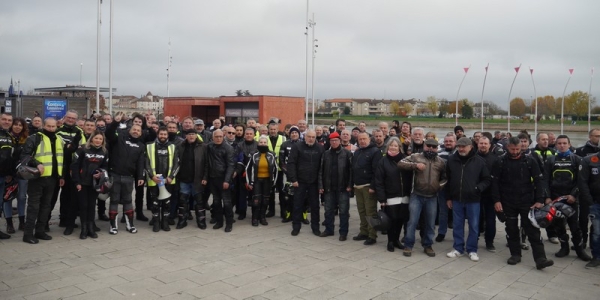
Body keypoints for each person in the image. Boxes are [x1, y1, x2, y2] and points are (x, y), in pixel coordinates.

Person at [491, 137, 554, 270]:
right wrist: (496, 200)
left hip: (527, 201)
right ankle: (515, 254)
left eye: (517, 149)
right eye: (512, 149)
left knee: (532, 230)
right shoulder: (500, 161)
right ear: (508, 147)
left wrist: (539, 200)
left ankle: (540, 259)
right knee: (511, 228)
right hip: (507, 200)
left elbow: (539, 181)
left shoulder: (530, 161)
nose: (515, 152)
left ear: (521, 148)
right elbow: (494, 183)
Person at [544, 134, 591, 261]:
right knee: (558, 225)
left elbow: (581, 181)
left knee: (575, 226)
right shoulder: (550, 160)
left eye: (565, 143)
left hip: (571, 199)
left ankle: (580, 250)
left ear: (569, 145)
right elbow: (545, 180)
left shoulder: (577, 159)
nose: (562, 145)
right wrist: (547, 197)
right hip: (555, 199)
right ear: (556, 145)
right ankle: (564, 247)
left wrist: (574, 195)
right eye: (559, 143)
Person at [399, 138, 447, 257]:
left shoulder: (441, 161)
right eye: (428, 146)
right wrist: (415, 165)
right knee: (412, 222)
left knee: (430, 223)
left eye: (433, 146)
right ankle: (408, 245)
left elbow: (445, 178)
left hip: (432, 197)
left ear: (437, 148)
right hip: (417, 195)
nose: (430, 148)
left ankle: (428, 245)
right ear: (424, 146)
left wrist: (438, 186)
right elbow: (400, 163)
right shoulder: (416, 156)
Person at [445, 137, 491, 262]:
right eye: (459, 146)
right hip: (457, 199)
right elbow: (447, 180)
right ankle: (458, 248)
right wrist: (448, 197)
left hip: (473, 199)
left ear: (470, 147)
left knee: (474, 225)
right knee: (457, 225)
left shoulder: (479, 161)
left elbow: (486, 179)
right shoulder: (451, 160)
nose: (461, 149)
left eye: (463, 146)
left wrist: (478, 188)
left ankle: (472, 249)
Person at [21, 117, 65, 244]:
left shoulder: (59, 139)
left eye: (53, 126)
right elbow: (24, 156)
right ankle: (28, 234)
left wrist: (61, 176)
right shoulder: (34, 138)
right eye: (48, 126)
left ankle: (40, 231)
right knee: (33, 206)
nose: (51, 129)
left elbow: (61, 160)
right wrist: (36, 163)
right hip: (37, 178)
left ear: (56, 127)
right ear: (43, 126)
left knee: (46, 206)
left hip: (52, 178)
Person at [105, 112, 146, 235]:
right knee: (114, 200)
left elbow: (140, 163)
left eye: (138, 130)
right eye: (134, 129)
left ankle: (130, 224)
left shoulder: (140, 146)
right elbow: (109, 134)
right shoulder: (119, 138)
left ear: (141, 133)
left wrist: (140, 176)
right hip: (115, 175)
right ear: (130, 129)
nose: (136, 132)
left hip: (129, 177)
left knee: (128, 201)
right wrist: (115, 122)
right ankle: (113, 226)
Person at [375, 137, 411, 251]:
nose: (393, 148)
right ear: (388, 147)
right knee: (392, 219)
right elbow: (379, 181)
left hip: (404, 195)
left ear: (399, 147)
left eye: (396, 146)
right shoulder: (383, 161)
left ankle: (396, 240)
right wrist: (382, 198)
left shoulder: (406, 159)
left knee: (401, 219)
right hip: (390, 195)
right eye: (391, 145)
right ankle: (390, 241)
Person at [71, 131, 108, 239]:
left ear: (103, 141)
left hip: (94, 184)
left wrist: (100, 173)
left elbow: (105, 166)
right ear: (91, 139)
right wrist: (77, 182)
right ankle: (84, 229)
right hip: (82, 183)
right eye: (96, 138)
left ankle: (91, 228)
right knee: (83, 206)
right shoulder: (83, 149)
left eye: (100, 139)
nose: (98, 141)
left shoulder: (104, 152)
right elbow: (75, 166)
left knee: (91, 206)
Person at [53, 110, 84, 236]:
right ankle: (62, 219)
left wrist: (72, 147)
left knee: (72, 195)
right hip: (62, 166)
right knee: (61, 195)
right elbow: (61, 150)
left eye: (73, 118)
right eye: (69, 117)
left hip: (75, 167)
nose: (71, 120)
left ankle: (68, 219)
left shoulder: (79, 131)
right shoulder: (58, 131)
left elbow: (82, 147)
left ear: (76, 120)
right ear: (65, 118)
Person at [288, 129, 324, 236]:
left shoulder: (320, 148)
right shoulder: (297, 147)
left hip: (314, 182)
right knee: (297, 205)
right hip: (300, 181)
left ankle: (315, 227)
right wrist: (293, 179)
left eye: (313, 137)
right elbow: (291, 163)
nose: (311, 139)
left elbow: (323, 166)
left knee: (315, 206)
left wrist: (321, 183)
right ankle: (296, 227)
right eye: (309, 137)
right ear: (305, 137)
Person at [318, 132, 353, 241]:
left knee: (343, 211)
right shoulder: (325, 154)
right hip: (329, 188)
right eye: (332, 141)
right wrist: (321, 185)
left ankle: (343, 232)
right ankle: (329, 230)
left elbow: (351, 171)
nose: (334, 142)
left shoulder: (347, 154)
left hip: (343, 188)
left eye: (336, 140)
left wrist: (350, 185)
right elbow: (320, 171)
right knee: (328, 210)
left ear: (340, 141)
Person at [145, 127, 179, 232]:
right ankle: (156, 222)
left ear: (167, 135)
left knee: (167, 203)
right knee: (155, 203)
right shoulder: (149, 146)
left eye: (165, 134)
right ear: (157, 135)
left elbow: (177, 164)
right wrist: (152, 176)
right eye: (161, 134)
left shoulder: (173, 147)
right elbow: (146, 163)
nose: (163, 136)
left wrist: (171, 176)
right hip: (154, 180)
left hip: (168, 180)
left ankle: (165, 222)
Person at [351, 132, 382, 245]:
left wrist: (373, 186)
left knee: (370, 212)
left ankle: (372, 235)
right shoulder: (358, 151)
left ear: (369, 139)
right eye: (360, 139)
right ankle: (363, 231)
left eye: (364, 139)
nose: (362, 141)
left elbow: (376, 171)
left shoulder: (375, 152)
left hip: (368, 186)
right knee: (361, 211)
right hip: (358, 186)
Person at [175, 129, 208, 229]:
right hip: (184, 178)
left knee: (199, 201)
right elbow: (176, 162)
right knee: (183, 201)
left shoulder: (203, 147)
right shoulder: (180, 146)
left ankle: (201, 221)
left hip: (197, 179)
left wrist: (205, 177)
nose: (191, 136)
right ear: (186, 136)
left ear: (196, 135)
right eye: (189, 134)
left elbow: (207, 164)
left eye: (193, 134)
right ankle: (182, 220)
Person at [207, 129, 236, 232]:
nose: (218, 138)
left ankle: (229, 223)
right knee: (216, 202)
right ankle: (219, 222)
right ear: (213, 137)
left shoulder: (228, 148)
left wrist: (227, 180)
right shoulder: (210, 146)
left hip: (223, 179)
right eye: (216, 136)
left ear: (223, 136)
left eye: (220, 136)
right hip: (212, 178)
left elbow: (231, 166)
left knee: (227, 202)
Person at [4, 117, 29, 234]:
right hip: (8, 173)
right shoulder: (6, 138)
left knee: (22, 197)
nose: (18, 127)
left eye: (20, 125)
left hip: (22, 173)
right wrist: (8, 173)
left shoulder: (27, 139)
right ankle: (9, 224)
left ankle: (22, 222)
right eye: (15, 124)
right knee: (7, 198)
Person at [245, 135, 278, 226]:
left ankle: (262, 217)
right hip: (256, 181)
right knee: (256, 200)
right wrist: (249, 182)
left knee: (265, 200)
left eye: (264, 142)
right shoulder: (253, 154)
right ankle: (255, 218)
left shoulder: (272, 155)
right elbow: (247, 169)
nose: (263, 144)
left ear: (267, 144)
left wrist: (273, 182)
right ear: (258, 143)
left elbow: (275, 169)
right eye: (261, 142)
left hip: (267, 180)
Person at [477, 136, 501, 252]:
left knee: (491, 219)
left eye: (485, 144)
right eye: (481, 143)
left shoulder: (495, 159)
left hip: (491, 194)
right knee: (476, 218)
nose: (483, 145)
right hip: (476, 193)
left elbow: (498, 178)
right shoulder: (473, 158)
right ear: (477, 144)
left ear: (490, 145)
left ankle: (489, 242)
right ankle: (474, 238)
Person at [579, 148, 600, 268]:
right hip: (595, 202)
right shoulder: (588, 161)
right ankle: (596, 257)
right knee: (597, 232)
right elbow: (582, 183)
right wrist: (590, 202)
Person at [436, 133, 456, 242]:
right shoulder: (439, 154)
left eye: (450, 141)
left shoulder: (460, 153)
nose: (448, 143)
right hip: (443, 187)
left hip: (457, 188)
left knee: (457, 212)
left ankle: (457, 234)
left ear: (455, 142)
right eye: (446, 141)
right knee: (443, 212)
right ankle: (441, 232)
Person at [279, 126, 301, 222]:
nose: (294, 134)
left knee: (300, 196)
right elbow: (281, 160)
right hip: (287, 175)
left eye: (296, 133)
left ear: (299, 134)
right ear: (289, 134)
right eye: (292, 133)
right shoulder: (284, 144)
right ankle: (287, 215)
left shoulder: (302, 144)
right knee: (287, 196)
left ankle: (300, 216)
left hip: (300, 175)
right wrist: (287, 172)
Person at [235, 128, 258, 220]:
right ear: (244, 135)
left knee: (254, 193)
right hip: (242, 173)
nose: (248, 135)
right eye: (247, 134)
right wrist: (242, 170)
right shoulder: (239, 145)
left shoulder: (257, 145)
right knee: (242, 194)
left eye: (250, 134)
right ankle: (242, 212)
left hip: (254, 173)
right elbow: (237, 158)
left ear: (254, 135)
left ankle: (255, 214)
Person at [0, 113, 15, 239]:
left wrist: (10, 173)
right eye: (4, 119)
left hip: (3, 176)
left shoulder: (9, 136)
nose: (6, 122)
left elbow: (9, 157)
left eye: (9, 120)